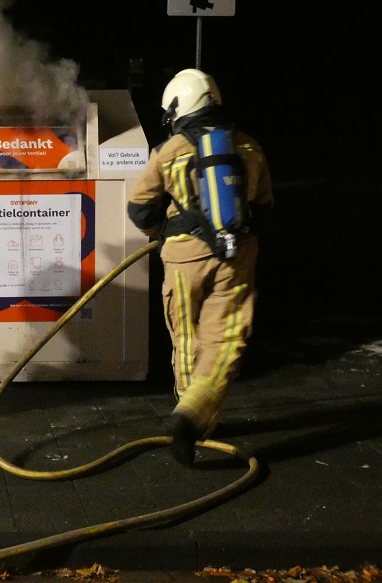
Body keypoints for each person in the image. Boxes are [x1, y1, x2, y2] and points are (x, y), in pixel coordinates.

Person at [127, 68, 273, 467]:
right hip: (237, 256)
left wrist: (166, 233)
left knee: (187, 338)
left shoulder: (170, 151)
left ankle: (187, 417)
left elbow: (139, 208)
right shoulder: (249, 148)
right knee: (225, 339)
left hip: (181, 259)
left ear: (177, 107)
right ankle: (194, 418)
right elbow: (263, 207)